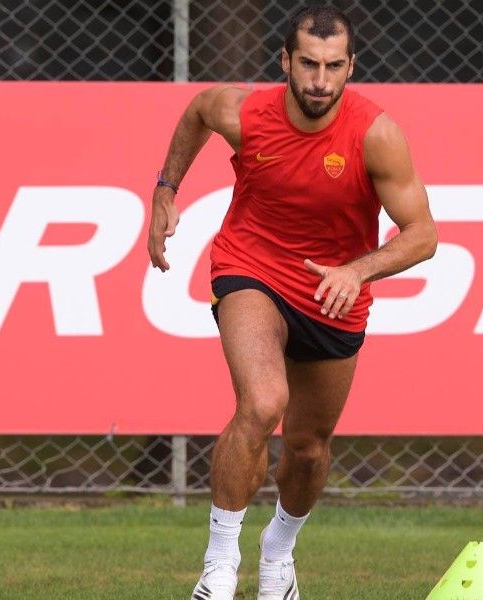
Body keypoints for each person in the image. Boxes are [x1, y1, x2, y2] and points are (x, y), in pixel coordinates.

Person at [146, 6, 437, 600]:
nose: (319, 81)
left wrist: (358, 270)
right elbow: (198, 110)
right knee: (262, 402)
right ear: (285, 61)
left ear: (351, 66)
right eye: (308, 64)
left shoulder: (376, 134)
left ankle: (278, 554)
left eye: (333, 66)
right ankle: (219, 566)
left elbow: (423, 234)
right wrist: (165, 190)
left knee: (307, 449)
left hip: (334, 293)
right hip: (250, 267)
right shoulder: (245, 113)